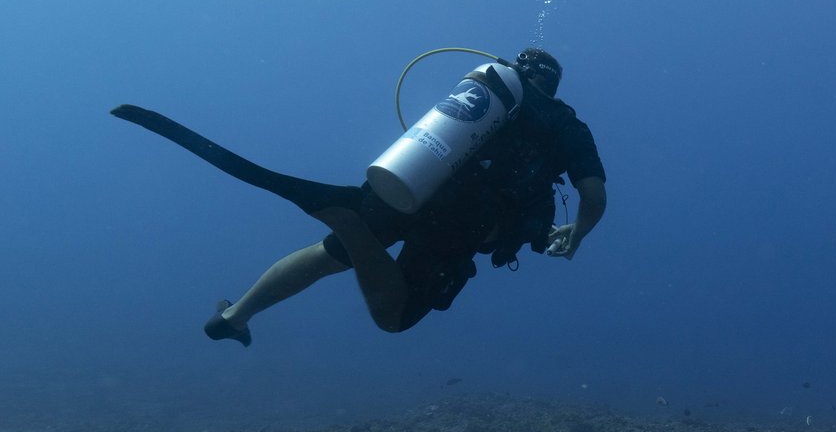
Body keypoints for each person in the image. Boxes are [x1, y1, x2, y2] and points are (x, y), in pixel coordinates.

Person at [111, 47, 605, 344]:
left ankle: (234, 316)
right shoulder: (565, 123)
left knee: (329, 257)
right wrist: (578, 233)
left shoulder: (491, 87)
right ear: (554, 86)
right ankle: (346, 220)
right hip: (467, 222)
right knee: (394, 317)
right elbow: (593, 194)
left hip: (412, 180)